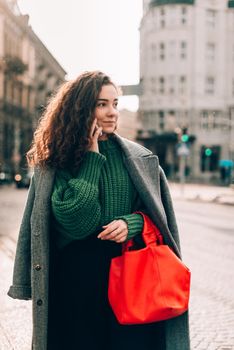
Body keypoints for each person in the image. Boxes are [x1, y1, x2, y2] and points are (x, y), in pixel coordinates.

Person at [8, 71, 190, 350]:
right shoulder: (59, 160)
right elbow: (77, 221)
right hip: (76, 284)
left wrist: (134, 223)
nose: (112, 112)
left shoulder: (141, 159)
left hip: (131, 276)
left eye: (115, 104)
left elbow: (159, 218)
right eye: (101, 104)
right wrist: (92, 157)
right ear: (81, 108)